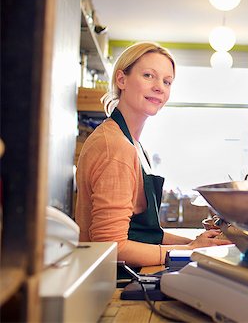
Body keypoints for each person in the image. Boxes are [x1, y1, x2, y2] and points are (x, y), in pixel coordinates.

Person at [75, 42, 230, 269]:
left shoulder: (133, 144)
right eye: (148, 75)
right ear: (122, 80)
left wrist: (196, 244)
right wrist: (188, 251)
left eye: (167, 81)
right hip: (111, 280)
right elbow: (110, 246)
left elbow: (143, 234)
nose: (160, 87)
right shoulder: (116, 146)